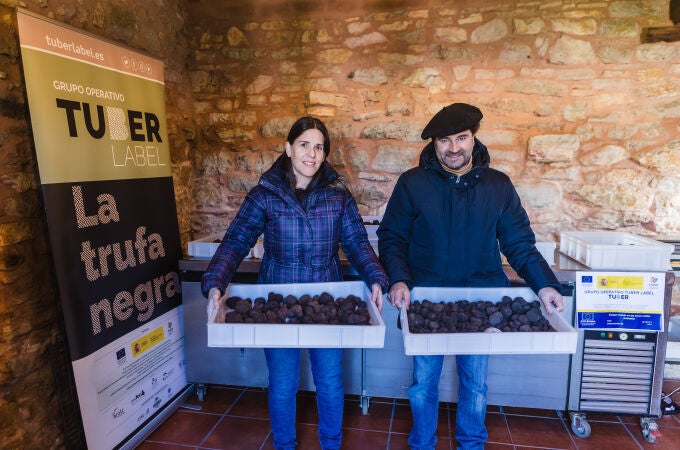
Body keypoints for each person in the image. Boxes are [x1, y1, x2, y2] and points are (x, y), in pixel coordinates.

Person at [377, 103, 564, 450]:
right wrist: (399, 280)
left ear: (473, 138)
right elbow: (392, 238)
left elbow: (520, 244)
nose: (453, 148)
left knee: (475, 385)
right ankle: (422, 444)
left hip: (482, 303)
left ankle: (471, 445)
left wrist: (546, 284)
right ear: (434, 143)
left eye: (461, 138)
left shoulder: (498, 186)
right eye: (444, 140)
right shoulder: (413, 184)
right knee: (422, 384)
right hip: (426, 305)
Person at [201, 116, 388, 450]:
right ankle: (284, 445)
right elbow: (236, 241)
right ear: (288, 148)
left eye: (319, 147)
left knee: (330, 381)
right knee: (284, 382)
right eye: (304, 145)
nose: (312, 154)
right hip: (279, 306)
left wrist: (375, 278)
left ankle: (331, 444)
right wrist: (216, 282)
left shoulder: (338, 196)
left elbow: (358, 244)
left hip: (326, 304)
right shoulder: (265, 195)